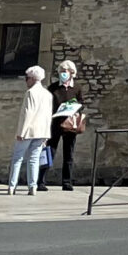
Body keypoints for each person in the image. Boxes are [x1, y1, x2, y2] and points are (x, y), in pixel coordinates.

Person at [9, 65, 52, 194]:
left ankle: (12, 186)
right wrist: (47, 134)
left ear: (32, 78)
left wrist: (21, 132)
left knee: (18, 157)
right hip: (41, 131)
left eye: (27, 78)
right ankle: (32, 186)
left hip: (28, 130)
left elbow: (27, 113)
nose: (26, 81)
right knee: (34, 159)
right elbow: (48, 115)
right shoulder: (47, 94)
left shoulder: (30, 93)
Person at [50, 62, 84, 191]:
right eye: (62, 70)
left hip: (70, 125)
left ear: (72, 72)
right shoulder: (53, 88)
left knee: (69, 154)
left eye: (66, 70)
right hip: (55, 124)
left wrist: (74, 109)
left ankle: (67, 182)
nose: (64, 72)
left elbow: (81, 103)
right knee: (50, 152)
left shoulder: (77, 88)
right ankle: (40, 181)